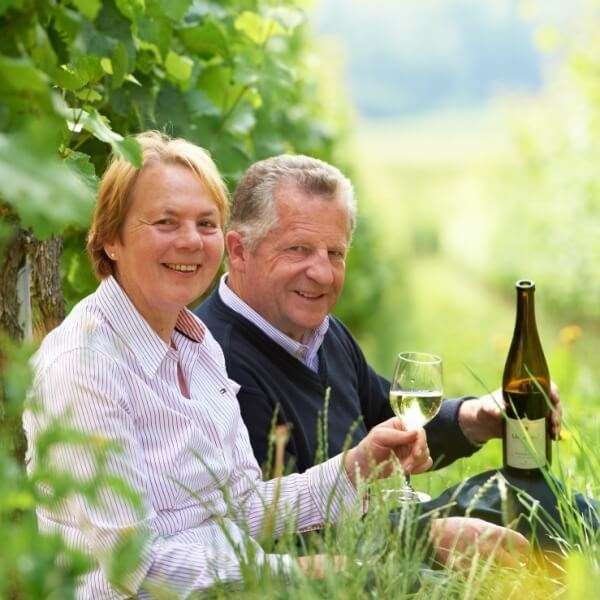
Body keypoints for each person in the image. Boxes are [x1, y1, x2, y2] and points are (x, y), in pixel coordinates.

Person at [23, 133, 528, 599]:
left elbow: (241, 508)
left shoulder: (196, 348)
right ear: (111, 239)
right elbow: (129, 563)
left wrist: (354, 469)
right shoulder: (85, 366)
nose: (191, 241)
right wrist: (297, 572)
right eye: (165, 222)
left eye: (205, 224)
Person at [195, 154, 561, 475]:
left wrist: (479, 416)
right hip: (342, 552)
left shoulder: (323, 333)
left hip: (380, 531)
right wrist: (429, 531)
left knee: (537, 498)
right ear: (240, 251)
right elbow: (283, 526)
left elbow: (394, 423)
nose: (323, 273)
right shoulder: (215, 362)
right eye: (298, 249)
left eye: (335, 253)